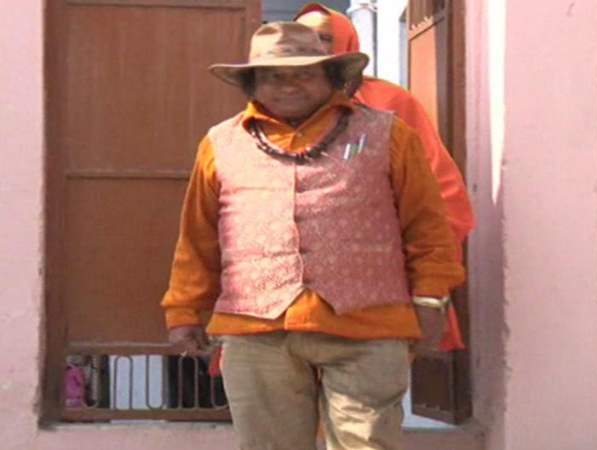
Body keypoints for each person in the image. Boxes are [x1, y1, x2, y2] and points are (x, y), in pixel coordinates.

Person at [162, 21, 464, 450]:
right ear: (252, 83)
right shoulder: (220, 144)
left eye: (304, 73)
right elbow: (198, 238)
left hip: (368, 328)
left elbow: (427, 227)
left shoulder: (389, 134)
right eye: (273, 75)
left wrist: (431, 299)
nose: (289, 85)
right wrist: (184, 312)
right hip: (257, 331)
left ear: (331, 77)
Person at [295, 3, 475, 350]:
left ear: (346, 42)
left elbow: (438, 192)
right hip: (288, 300)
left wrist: (425, 283)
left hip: (376, 286)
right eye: (302, 37)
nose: (313, 47)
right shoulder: (274, 105)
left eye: (324, 38)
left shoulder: (389, 102)